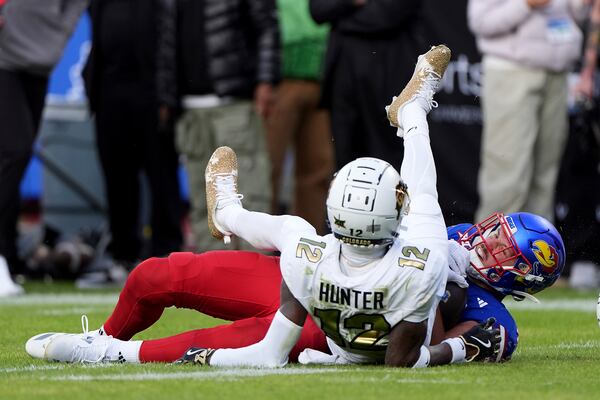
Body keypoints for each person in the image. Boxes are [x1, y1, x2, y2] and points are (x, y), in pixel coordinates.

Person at [27, 45, 504, 367]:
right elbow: (413, 353)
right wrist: (452, 348)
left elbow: (271, 346)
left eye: (505, 248)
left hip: (319, 323)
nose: (490, 242)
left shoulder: (309, 247)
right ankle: (110, 342)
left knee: (290, 230)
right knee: (153, 275)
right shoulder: (424, 261)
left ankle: (108, 349)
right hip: (338, 308)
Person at [77, 0, 184, 287]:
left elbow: (173, 42)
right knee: (118, 181)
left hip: (154, 96)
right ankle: (123, 258)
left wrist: (168, 96)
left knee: (163, 179)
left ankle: (168, 259)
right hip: (110, 96)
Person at [174, 0, 279, 252]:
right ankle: (213, 276)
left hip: (235, 103)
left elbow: (266, 25)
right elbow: (164, 39)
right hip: (189, 108)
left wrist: (266, 80)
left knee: (250, 196)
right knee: (203, 203)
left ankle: (257, 272)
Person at [469, 0, 587, 223]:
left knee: (545, 177)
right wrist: (526, 5)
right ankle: (491, 253)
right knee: (507, 174)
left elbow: (572, 14)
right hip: (512, 72)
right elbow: (480, 22)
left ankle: (537, 253)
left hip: (557, 75)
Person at [0, 0, 89, 295]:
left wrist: (61, 32)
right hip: (5, 55)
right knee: (14, 151)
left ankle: (8, 258)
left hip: (38, 58)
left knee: (14, 158)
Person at [308, 0, 425, 172]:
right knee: (345, 163)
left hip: (388, 78)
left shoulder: (344, 25)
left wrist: (340, 21)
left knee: (387, 163)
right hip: (342, 75)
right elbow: (318, 10)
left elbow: (388, 14)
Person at [265, 0, 334, 233]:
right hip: (279, 78)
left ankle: (309, 245)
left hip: (321, 76)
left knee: (318, 169)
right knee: (268, 168)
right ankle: (259, 247)